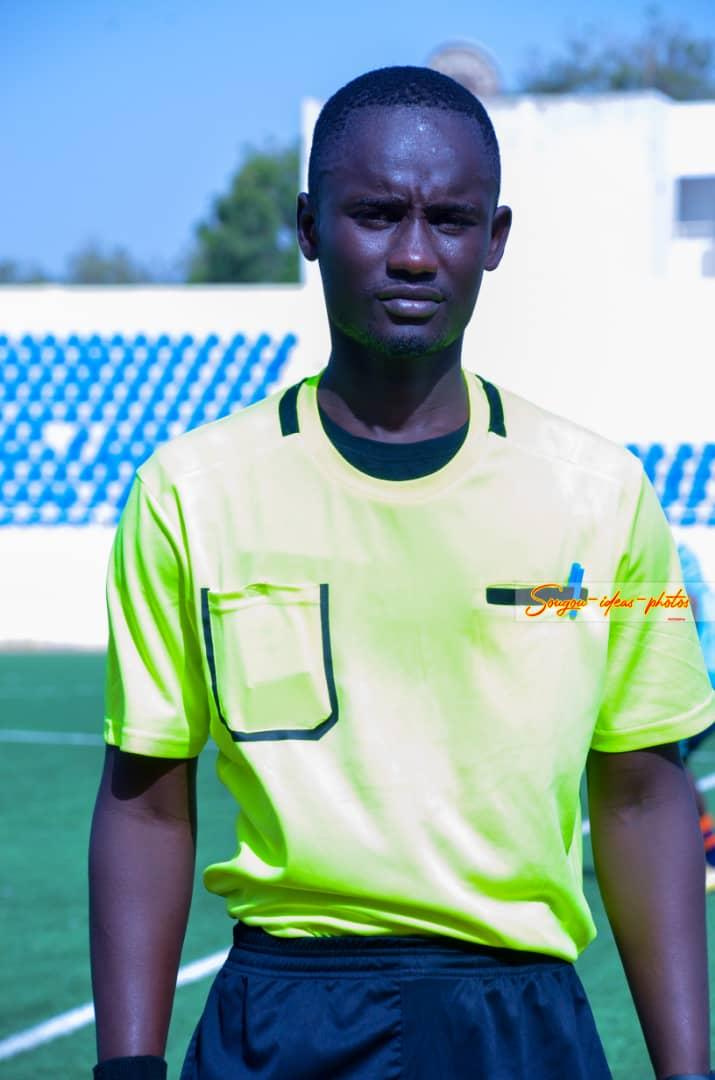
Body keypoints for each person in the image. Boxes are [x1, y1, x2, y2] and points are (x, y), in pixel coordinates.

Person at [89, 66, 715, 1080]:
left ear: (495, 238)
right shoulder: (193, 490)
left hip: (522, 1021)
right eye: (377, 215)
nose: (415, 253)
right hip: (281, 1014)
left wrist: (688, 1074)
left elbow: (643, 797)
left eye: (451, 220)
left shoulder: (598, 493)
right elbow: (146, 799)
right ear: (307, 224)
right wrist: (126, 1068)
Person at [677, 543, 715, 892]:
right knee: (677, 765)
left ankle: (703, 857)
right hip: (703, 669)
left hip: (700, 673)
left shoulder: (668, 547)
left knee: (670, 767)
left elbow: (688, 603)